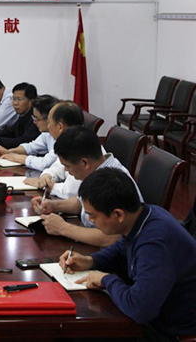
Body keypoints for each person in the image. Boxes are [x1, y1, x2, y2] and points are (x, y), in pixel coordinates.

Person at [60, 168, 196, 341]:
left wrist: (106, 280)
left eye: (93, 216)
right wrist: (90, 260)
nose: (91, 221)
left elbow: (140, 309)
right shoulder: (146, 216)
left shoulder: (154, 244)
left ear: (118, 214)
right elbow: (121, 248)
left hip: (172, 331)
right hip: (157, 317)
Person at [33, 126, 143, 247]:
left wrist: (63, 228)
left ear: (84, 163)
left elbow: (112, 238)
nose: (66, 171)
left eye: (68, 166)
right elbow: (82, 204)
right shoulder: (96, 171)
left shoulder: (112, 182)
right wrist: (53, 205)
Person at [22, 101, 85, 192]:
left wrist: (50, 187)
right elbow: (59, 166)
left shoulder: (80, 145)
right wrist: (46, 176)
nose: (48, 126)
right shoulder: (69, 142)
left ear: (60, 126)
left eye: (49, 122)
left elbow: (70, 191)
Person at [0, 95, 58, 171]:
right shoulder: (47, 133)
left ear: (49, 118)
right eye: (33, 118)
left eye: (37, 119)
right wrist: (8, 152)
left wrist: (16, 157)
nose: (34, 122)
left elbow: (45, 164)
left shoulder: (63, 136)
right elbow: (31, 147)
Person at [0, 82, 40, 148]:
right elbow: (11, 132)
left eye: (19, 99)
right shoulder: (23, 114)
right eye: (13, 99)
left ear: (31, 101)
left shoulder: (36, 118)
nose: (15, 103)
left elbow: (23, 141)